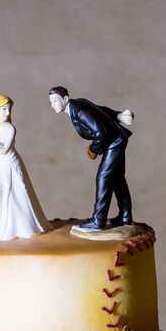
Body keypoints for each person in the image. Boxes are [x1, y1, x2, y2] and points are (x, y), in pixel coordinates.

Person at [48, 86, 134, 232]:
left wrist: (93, 150)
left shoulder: (78, 110)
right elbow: (99, 110)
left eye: (55, 101)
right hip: (116, 138)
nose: (53, 105)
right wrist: (118, 116)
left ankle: (98, 220)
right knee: (117, 177)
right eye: (51, 102)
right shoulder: (77, 105)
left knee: (103, 177)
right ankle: (125, 216)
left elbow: (100, 133)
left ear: (65, 99)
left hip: (114, 141)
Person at [0, 95, 50, 241]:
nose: (7, 113)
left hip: (11, 164)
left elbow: (4, 150)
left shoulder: (11, 128)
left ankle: (21, 227)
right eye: (4, 109)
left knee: (14, 195)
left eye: (9, 109)